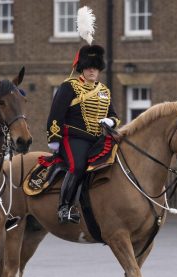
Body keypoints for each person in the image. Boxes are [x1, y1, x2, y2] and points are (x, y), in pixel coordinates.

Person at [46, 43, 121, 224]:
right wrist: (54, 138)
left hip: (98, 139)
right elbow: (56, 113)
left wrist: (110, 121)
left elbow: (114, 115)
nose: (92, 71)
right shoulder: (69, 87)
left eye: (95, 67)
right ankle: (64, 207)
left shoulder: (104, 91)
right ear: (82, 68)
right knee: (77, 167)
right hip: (74, 138)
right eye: (88, 67)